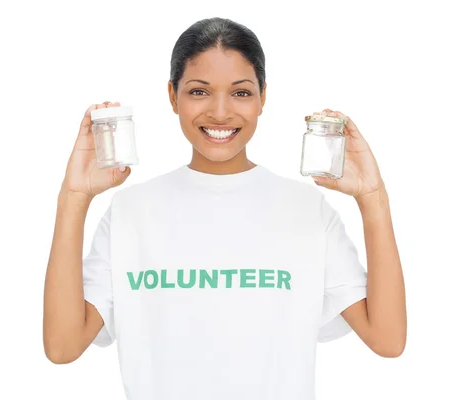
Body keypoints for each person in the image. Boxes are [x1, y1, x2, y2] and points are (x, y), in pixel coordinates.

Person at [43, 17, 406, 400]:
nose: (219, 112)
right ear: (172, 96)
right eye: (199, 92)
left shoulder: (306, 209)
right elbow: (63, 347)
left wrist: (373, 200)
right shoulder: (130, 210)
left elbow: (387, 339)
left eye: (241, 93)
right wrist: (74, 198)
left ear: (263, 97)